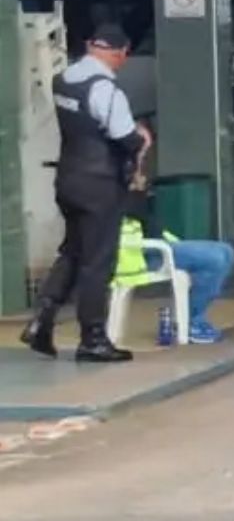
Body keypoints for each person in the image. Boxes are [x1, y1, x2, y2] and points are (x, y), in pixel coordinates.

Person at [19, 24, 150, 363]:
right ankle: (93, 339)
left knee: (73, 252)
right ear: (119, 54)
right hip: (100, 186)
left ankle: (41, 321)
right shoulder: (105, 89)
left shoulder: (64, 80)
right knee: (97, 262)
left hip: (68, 180)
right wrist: (141, 137)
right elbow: (124, 136)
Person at [119, 177, 234, 345]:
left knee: (226, 251)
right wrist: (135, 189)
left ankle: (192, 317)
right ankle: (191, 322)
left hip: (157, 245)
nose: (144, 177)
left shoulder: (130, 190)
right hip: (139, 255)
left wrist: (139, 190)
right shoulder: (113, 191)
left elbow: (149, 223)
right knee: (215, 259)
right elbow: (133, 214)